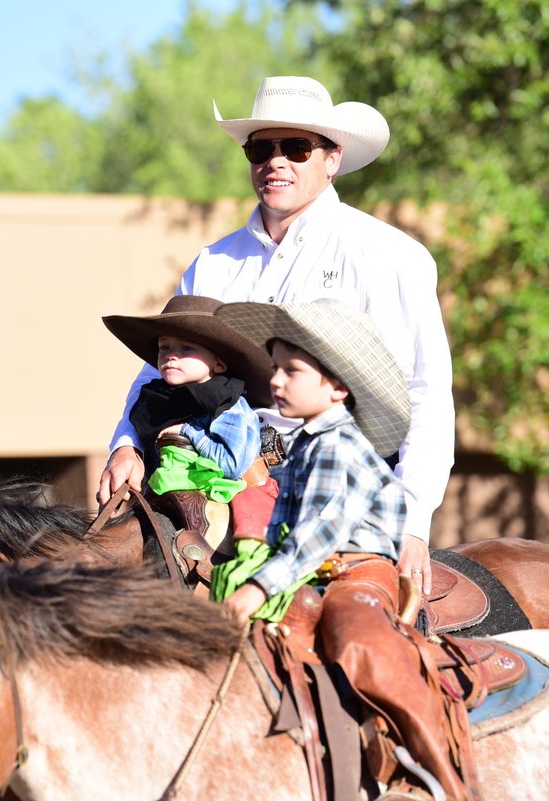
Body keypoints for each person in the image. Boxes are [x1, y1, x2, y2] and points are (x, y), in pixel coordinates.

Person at [98, 75, 454, 595]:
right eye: (261, 148)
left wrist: (413, 520)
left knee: (350, 641)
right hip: (217, 477)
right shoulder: (214, 263)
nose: (275, 161)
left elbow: (426, 392)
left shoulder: (387, 255)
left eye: (296, 147)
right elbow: (163, 365)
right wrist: (126, 445)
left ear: (332, 158)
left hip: (337, 487)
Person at [213, 299, 475, 801]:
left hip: (359, 574)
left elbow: (322, 532)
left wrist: (257, 586)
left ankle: (432, 768)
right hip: (312, 574)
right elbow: (282, 524)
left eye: (292, 371)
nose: (276, 382)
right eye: (275, 369)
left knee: (357, 644)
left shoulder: (341, 446)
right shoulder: (305, 445)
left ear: (336, 388)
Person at [100, 295, 277, 537]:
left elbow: (232, 466)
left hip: (226, 494)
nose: (171, 355)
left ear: (219, 364)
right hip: (164, 492)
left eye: (186, 348)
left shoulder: (230, 405)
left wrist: (187, 432)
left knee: (248, 540)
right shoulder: (157, 400)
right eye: (164, 348)